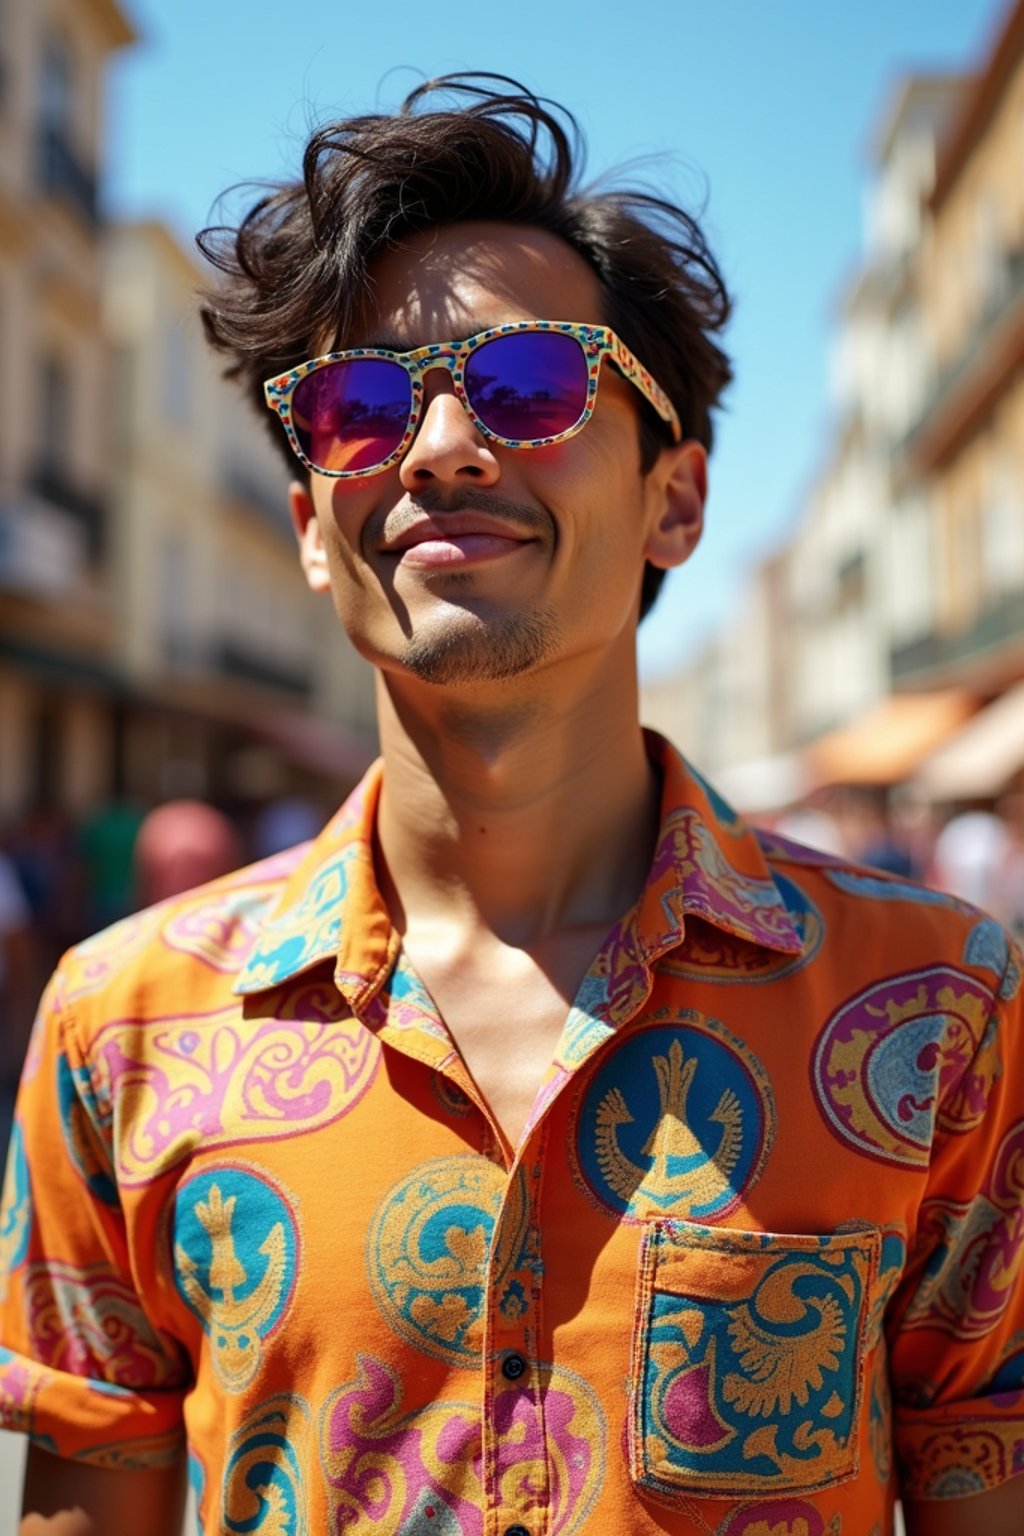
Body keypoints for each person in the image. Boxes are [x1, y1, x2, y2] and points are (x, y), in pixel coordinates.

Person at [1, 77, 1021, 1536]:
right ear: (309, 532)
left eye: (532, 386)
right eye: (357, 410)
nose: (437, 449)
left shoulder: (940, 1009)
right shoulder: (123, 1028)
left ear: (675, 501)